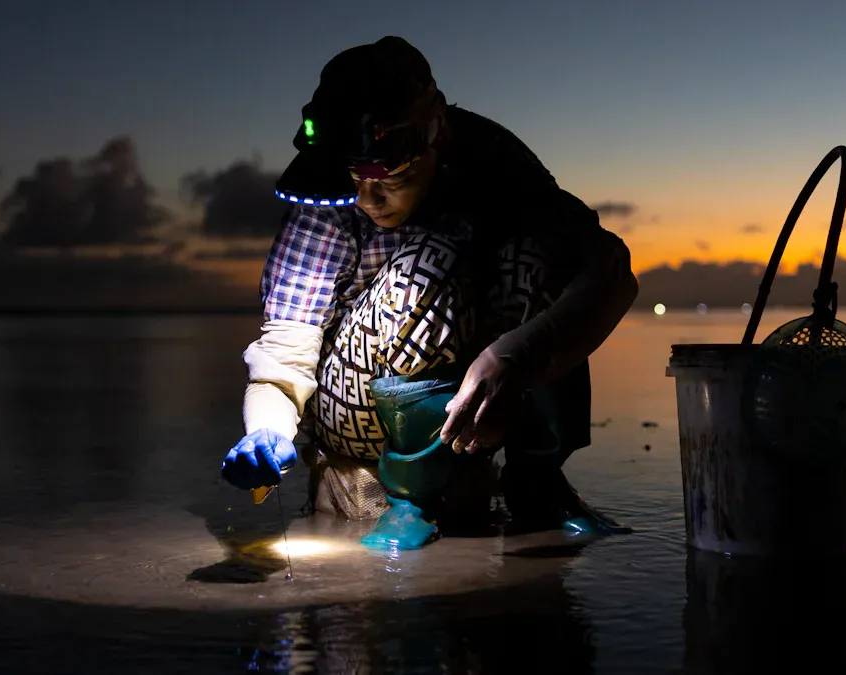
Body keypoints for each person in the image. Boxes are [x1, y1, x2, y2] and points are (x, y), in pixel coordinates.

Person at [223, 36, 638, 550]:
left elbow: (608, 269)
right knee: (431, 264)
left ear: (435, 131)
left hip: (475, 382)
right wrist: (266, 432)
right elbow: (284, 358)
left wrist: (519, 354)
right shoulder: (327, 200)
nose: (365, 197)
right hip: (355, 402)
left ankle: (536, 477)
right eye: (352, 177)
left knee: (543, 249)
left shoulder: (493, 159)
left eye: (387, 178)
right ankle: (408, 492)